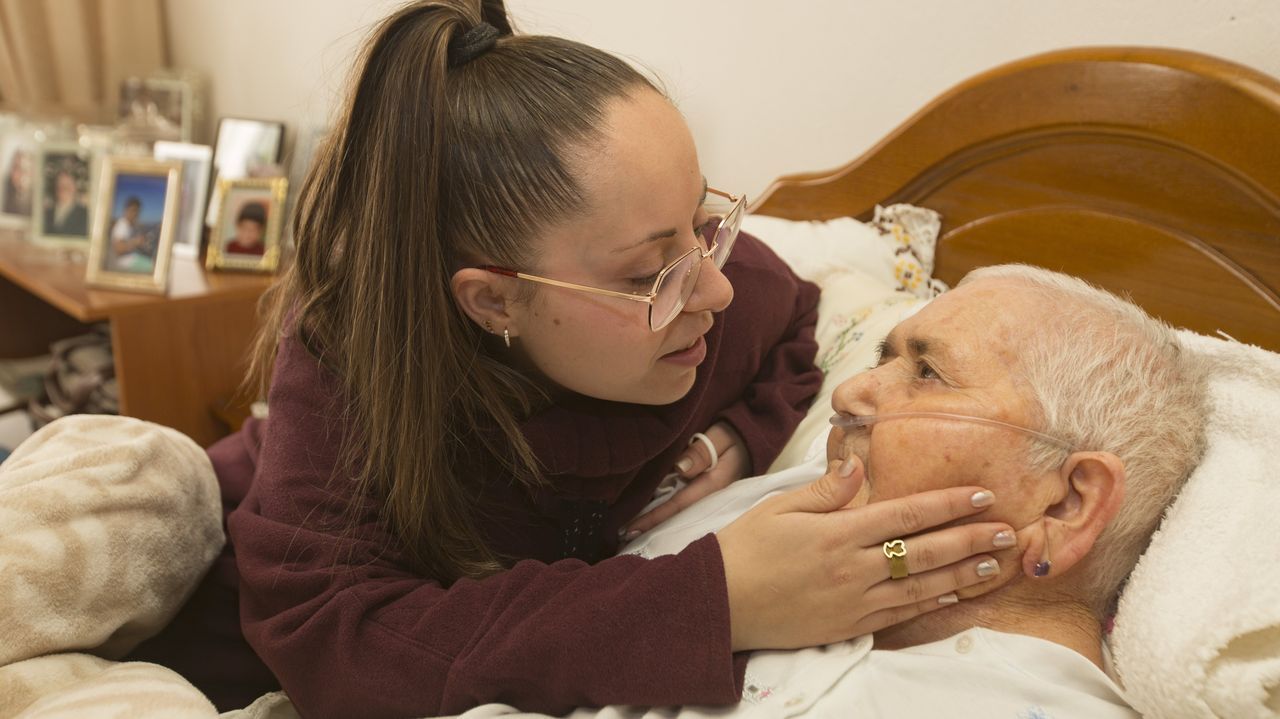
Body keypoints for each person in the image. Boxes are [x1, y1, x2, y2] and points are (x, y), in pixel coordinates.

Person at [126, 2, 1016, 715]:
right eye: (650, 272)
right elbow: (336, 645)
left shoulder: (709, 285)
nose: (713, 290)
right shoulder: (349, 365)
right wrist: (713, 601)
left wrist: (733, 442)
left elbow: (792, 322)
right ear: (495, 300)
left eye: (705, 224)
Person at [558, 264, 1207, 718]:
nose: (848, 394)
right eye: (880, 361)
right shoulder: (773, 512)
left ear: (1066, 503)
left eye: (927, 372)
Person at [109, 196, 155, 273]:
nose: (135, 214)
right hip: (124, 262)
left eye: (137, 211)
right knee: (154, 266)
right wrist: (136, 242)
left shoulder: (128, 225)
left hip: (130, 257)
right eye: (133, 210)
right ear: (126, 210)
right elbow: (119, 249)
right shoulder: (122, 225)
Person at [44, 166, 89, 237]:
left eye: (67, 185)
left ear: (75, 188)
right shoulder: (46, 213)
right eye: (60, 184)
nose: (63, 188)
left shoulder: (85, 215)